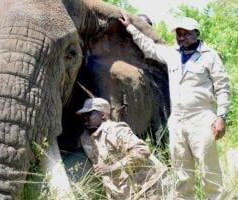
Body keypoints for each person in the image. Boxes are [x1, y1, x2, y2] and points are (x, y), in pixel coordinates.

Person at [119, 12, 230, 200]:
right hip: (177, 121)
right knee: (182, 175)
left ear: (196, 33)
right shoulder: (172, 53)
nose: (181, 37)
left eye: (185, 33)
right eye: (178, 33)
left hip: (202, 119)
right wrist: (130, 27)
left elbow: (223, 87)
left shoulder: (209, 56)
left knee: (209, 173)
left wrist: (221, 117)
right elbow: (149, 47)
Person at [77, 97, 166, 200]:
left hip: (149, 189)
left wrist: (112, 168)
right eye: (84, 116)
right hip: (131, 194)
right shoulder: (94, 138)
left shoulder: (115, 130)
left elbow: (142, 150)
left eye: (89, 114)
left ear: (102, 115)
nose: (86, 119)